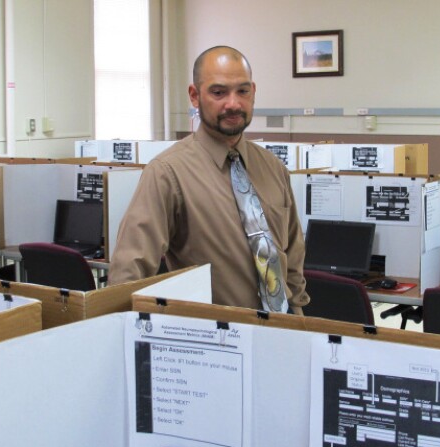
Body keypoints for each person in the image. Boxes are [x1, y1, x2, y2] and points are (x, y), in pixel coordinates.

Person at [109, 45, 309, 313]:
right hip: (215, 341)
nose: (233, 103)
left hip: (283, 332)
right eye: (218, 92)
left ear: (253, 92)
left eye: (243, 91)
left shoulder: (274, 169)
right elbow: (128, 274)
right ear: (194, 96)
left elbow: (292, 261)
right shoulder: (167, 173)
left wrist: (298, 319)